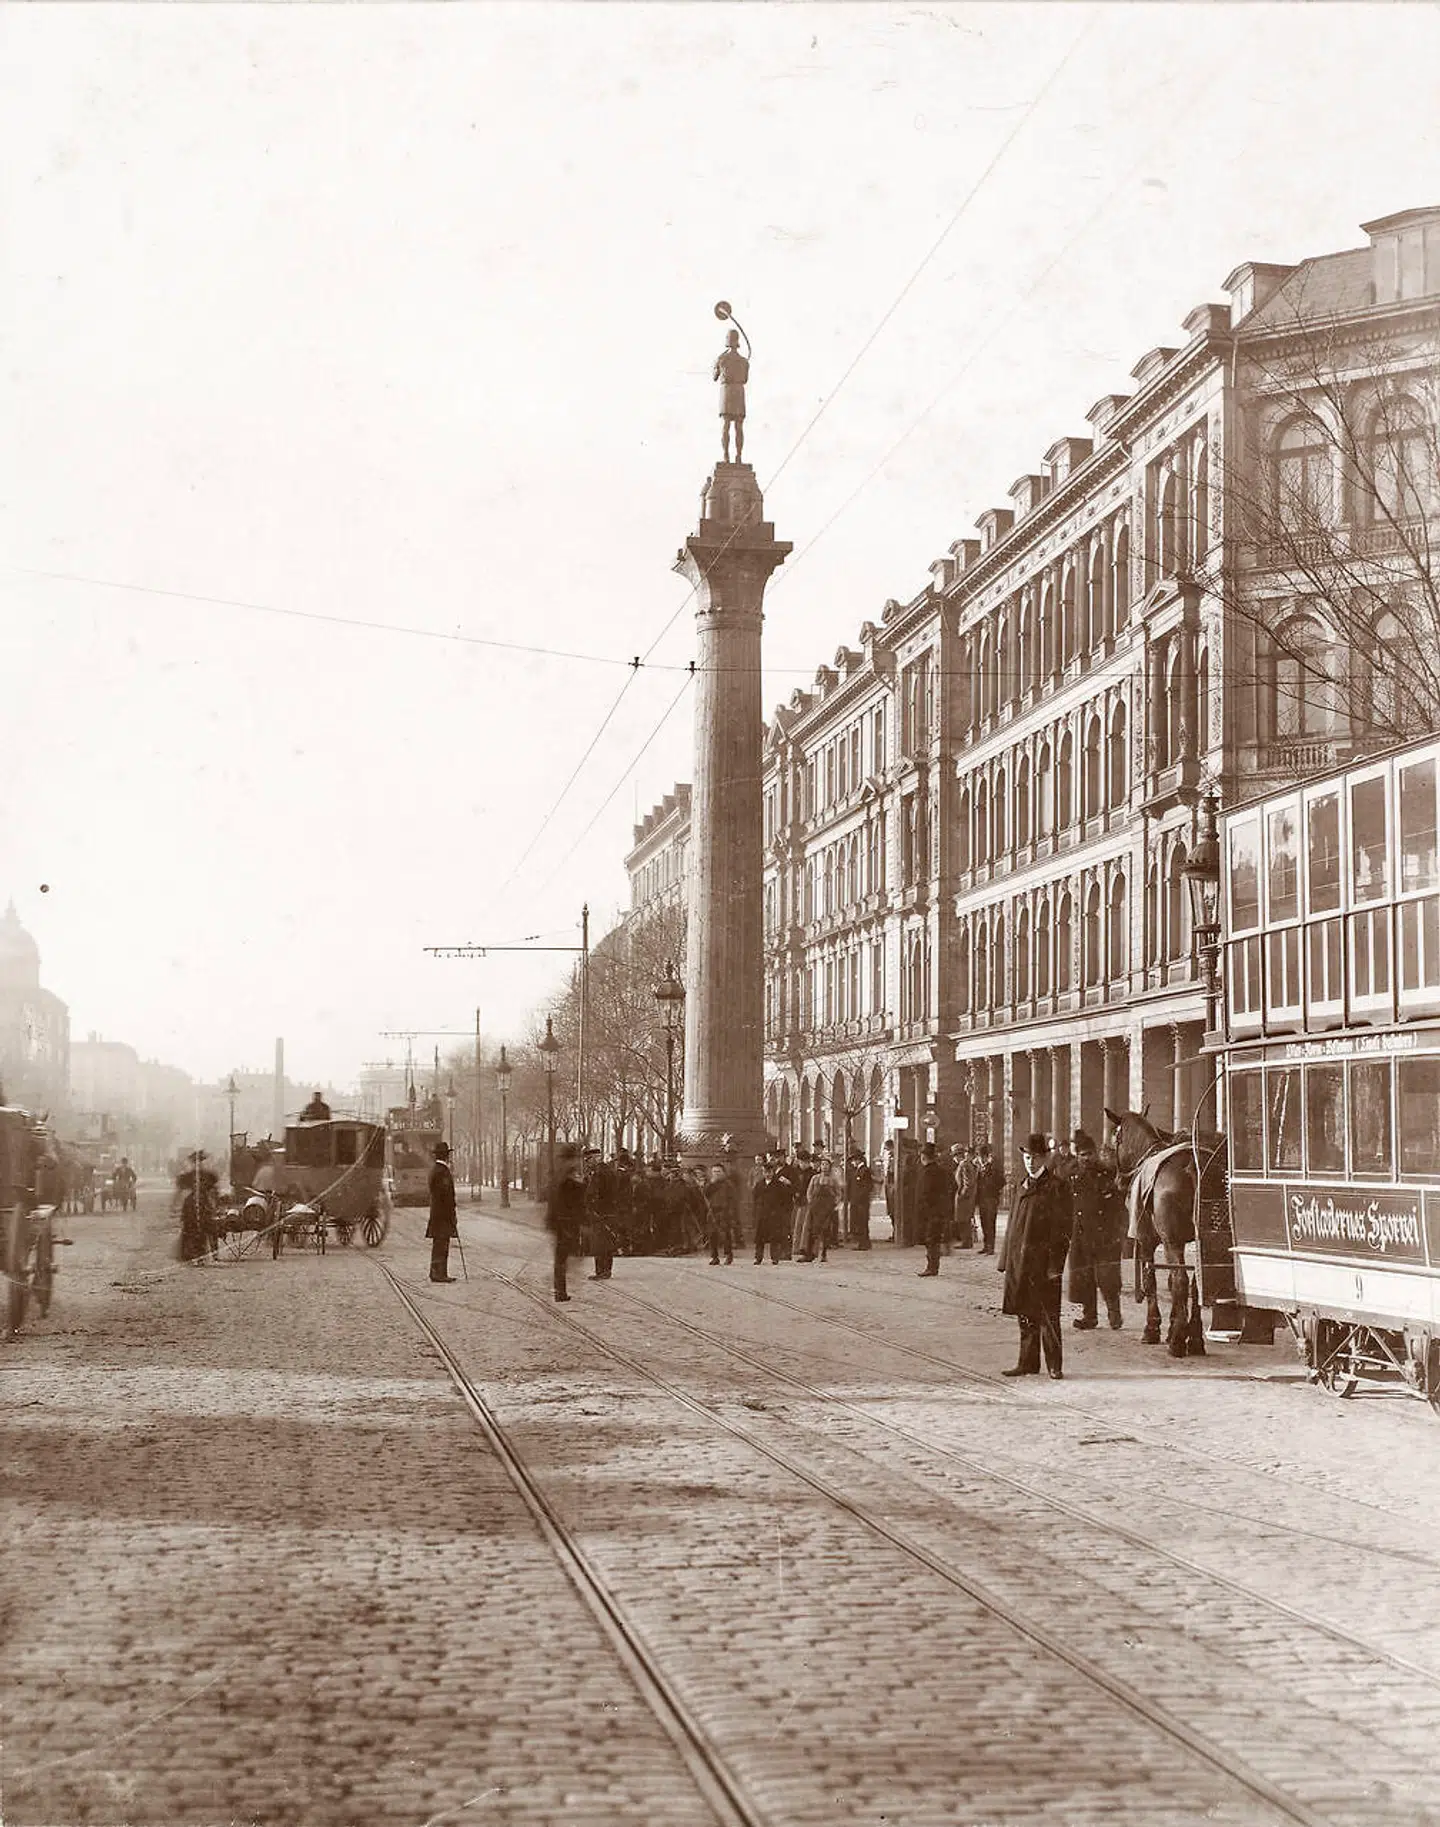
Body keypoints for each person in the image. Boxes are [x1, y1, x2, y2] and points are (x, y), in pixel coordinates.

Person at [1001, 1133, 1072, 1379]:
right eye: (1027, 1157)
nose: (1030, 1162)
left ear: (1045, 1158)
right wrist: (1005, 1260)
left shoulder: (1056, 1187)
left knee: (1048, 1315)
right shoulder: (1021, 1186)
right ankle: (1027, 1362)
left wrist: (1055, 1266)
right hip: (1020, 1262)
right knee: (1025, 1313)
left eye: (1035, 1158)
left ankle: (1054, 1364)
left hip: (1044, 1264)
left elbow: (1064, 1231)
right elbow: (1012, 1226)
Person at [1068, 1131, 1126, 1330]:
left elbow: (1119, 1204)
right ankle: (1089, 1316)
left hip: (1105, 1235)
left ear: (1096, 1154)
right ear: (1077, 1155)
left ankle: (1114, 1314)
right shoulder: (1072, 1175)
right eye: (1082, 1154)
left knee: (1108, 1277)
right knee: (1084, 1277)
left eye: (1090, 1154)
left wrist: (1118, 1231)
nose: (1087, 1158)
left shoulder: (1108, 1173)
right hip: (1081, 1234)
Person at [546, 1144, 587, 1301]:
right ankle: (560, 1291)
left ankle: (559, 1290)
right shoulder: (568, 1176)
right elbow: (575, 1199)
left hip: (558, 1223)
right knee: (565, 1258)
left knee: (561, 1258)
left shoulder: (556, 1175)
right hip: (567, 1223)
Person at [916, 1142, 954, 1276]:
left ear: (924, 1156)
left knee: (931, 1239)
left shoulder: (926, 1172)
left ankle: (932, 1267)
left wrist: (923, 1207)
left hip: (930, 1211)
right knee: (934, 1238)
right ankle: (933, 1266)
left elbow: (925, 1193)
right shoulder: (942, 1171)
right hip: (940, 1209)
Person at [714, 325, 749, 462]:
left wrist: (716, 364)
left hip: (727, 392)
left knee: (726, 425)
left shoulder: (722, 359)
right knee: (739, 426)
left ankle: (726, 455)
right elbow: (745, 379)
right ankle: (738, 456)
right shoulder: (744, 361)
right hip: (739, 392)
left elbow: (714, 376)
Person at [425, 1139, 458, 1282]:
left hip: (437, 1214)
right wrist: (452, 1214)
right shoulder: (442, 1172)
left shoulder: (435, 1170)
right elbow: (446, 1196)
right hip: (443, 1215)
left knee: (439, 1244)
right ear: (446, 1156)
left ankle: (436, 1272)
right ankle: (439, 1274)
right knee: (442, 1245)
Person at [753, 1155, 790, 1265]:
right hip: (762, 1214)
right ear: (763, 1172)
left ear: (773, 1172)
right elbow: (755, 1198)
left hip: (774, 1214)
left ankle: (775, 1257)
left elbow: (784, 1199)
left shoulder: (779, 1185)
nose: (767, 1174)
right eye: (765, 1172)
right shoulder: (759, 1185)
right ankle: (758, 1257)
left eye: (770, 1172)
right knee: (759, 1238)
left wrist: (780, 1212)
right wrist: (757, 1212)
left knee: (775, 1237)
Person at [802, 1158, 839, 1263]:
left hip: (827, 1208)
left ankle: (824, 1253)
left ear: (830, 1167)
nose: (824, 1166)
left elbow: (838, 1193)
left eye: (826, 1164)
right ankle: (809, 1253)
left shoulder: (833, 1180)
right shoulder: (815, 1178)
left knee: (825, 1230)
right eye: (822, 1164)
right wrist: (811, 1202)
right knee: (812, 1230)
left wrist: (834, 1204)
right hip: (815, 1206)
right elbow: (809, 1191)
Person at [704, 1164, 737, 1266]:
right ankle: (714, 1256)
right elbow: (705, 1193)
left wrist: (731, 1213)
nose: (716, 1174)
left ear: (723, 1173)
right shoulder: (710, 1184)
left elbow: (733, 1200)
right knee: (712, 1234)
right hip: (712, 1211)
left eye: (718, 1171)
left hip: (724, 1211)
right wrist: (711, 1184)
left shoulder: (728, 1184)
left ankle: (728, 1255)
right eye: (714, 1172)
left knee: (725, 1235)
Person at [975, 1143, 1004, 1255]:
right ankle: (986, 1246)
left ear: (987, 1157)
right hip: (982, 1199)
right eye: (979, 1157)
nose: (981, 1159)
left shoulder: (994, 1168)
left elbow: (1002, 1181)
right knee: (983, 1222)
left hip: (991, 1198)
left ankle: (991, 1247)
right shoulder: (979, 1169)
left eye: (983, 1157)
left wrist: (993, 1187)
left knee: (990, 1223)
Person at [845, 1151, 874, 1249]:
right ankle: (862, 1242)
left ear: (858, 1160)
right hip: (856, 1201)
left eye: (854, 1160)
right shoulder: (857, 1170)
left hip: (861, 1202)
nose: (853, 1162)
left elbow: (867, 1186)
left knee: (862, 1221)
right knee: (858, 1221)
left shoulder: (864, 1171)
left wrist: (859, 1197)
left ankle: (864, 1243)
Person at [952, 1145, 978, 1250]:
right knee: (964, 1219)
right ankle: (966, 1241)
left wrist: (962, 1195)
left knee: (963, 1220)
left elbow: (968, 1183)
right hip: (966, 1197)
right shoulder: (967, 1164)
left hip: (964, 1198)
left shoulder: (964, 1165)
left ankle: (966, 1242)